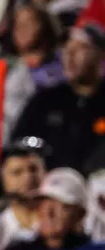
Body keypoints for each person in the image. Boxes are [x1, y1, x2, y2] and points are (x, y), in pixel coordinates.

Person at [13, 23, 105, 171]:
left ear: (100, 54)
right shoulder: (45, 100)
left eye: (79, 48)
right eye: (66, 49)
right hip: (50, 184)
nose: (69, 55)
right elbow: (19, 144)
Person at [0, 137, 49, 250]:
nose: (28, 177)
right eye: (17, 172)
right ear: (3, 181)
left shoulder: (64, 225)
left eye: (34, 169)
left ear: (46, 173)